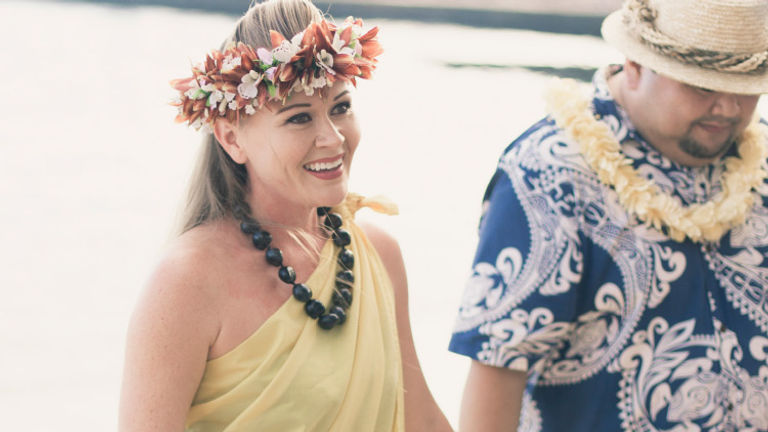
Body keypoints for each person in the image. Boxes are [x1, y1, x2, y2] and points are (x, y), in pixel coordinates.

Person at [118, 1, 452, 430]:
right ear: (231, 138)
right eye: (299, 118)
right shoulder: (186, 281)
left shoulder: (379, 253)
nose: (331, 138)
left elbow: (420, 417)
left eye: (340, 107)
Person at [448, 0, 768, 430]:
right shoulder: (551, 171)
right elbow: (498, 366)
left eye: (745, 86)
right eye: (703, 86)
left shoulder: (759, 161)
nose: (729, 108)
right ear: (635, 63)